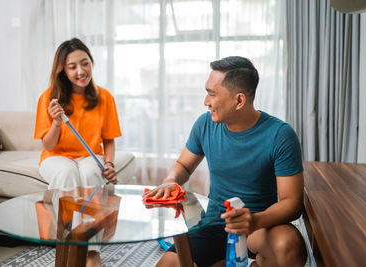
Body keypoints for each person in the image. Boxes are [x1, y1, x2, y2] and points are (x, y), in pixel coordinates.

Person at [144, 56, 307, 267]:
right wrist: (170, 179)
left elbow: (292, 203)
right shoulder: (205, 124)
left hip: (260, 227)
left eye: (212, 94)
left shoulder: (280, 135)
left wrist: (255, 220)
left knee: (289, 247)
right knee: (166, 265)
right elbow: (183, 166)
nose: (206, 102)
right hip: (215, 224)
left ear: (239, 100)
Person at [34, 38, 122, 190]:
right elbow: (48, 146)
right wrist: (56, 123)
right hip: (55, 157)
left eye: (85, 63)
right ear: (63, 71)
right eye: (72, 67)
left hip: (90, 156)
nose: (81, 71)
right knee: (66, 172)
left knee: (90, 172)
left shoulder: (105, 97)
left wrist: (109, 164)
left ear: (91, 63)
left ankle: (93, 214)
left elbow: (108, 140)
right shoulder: (48, 98)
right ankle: (64, 215)